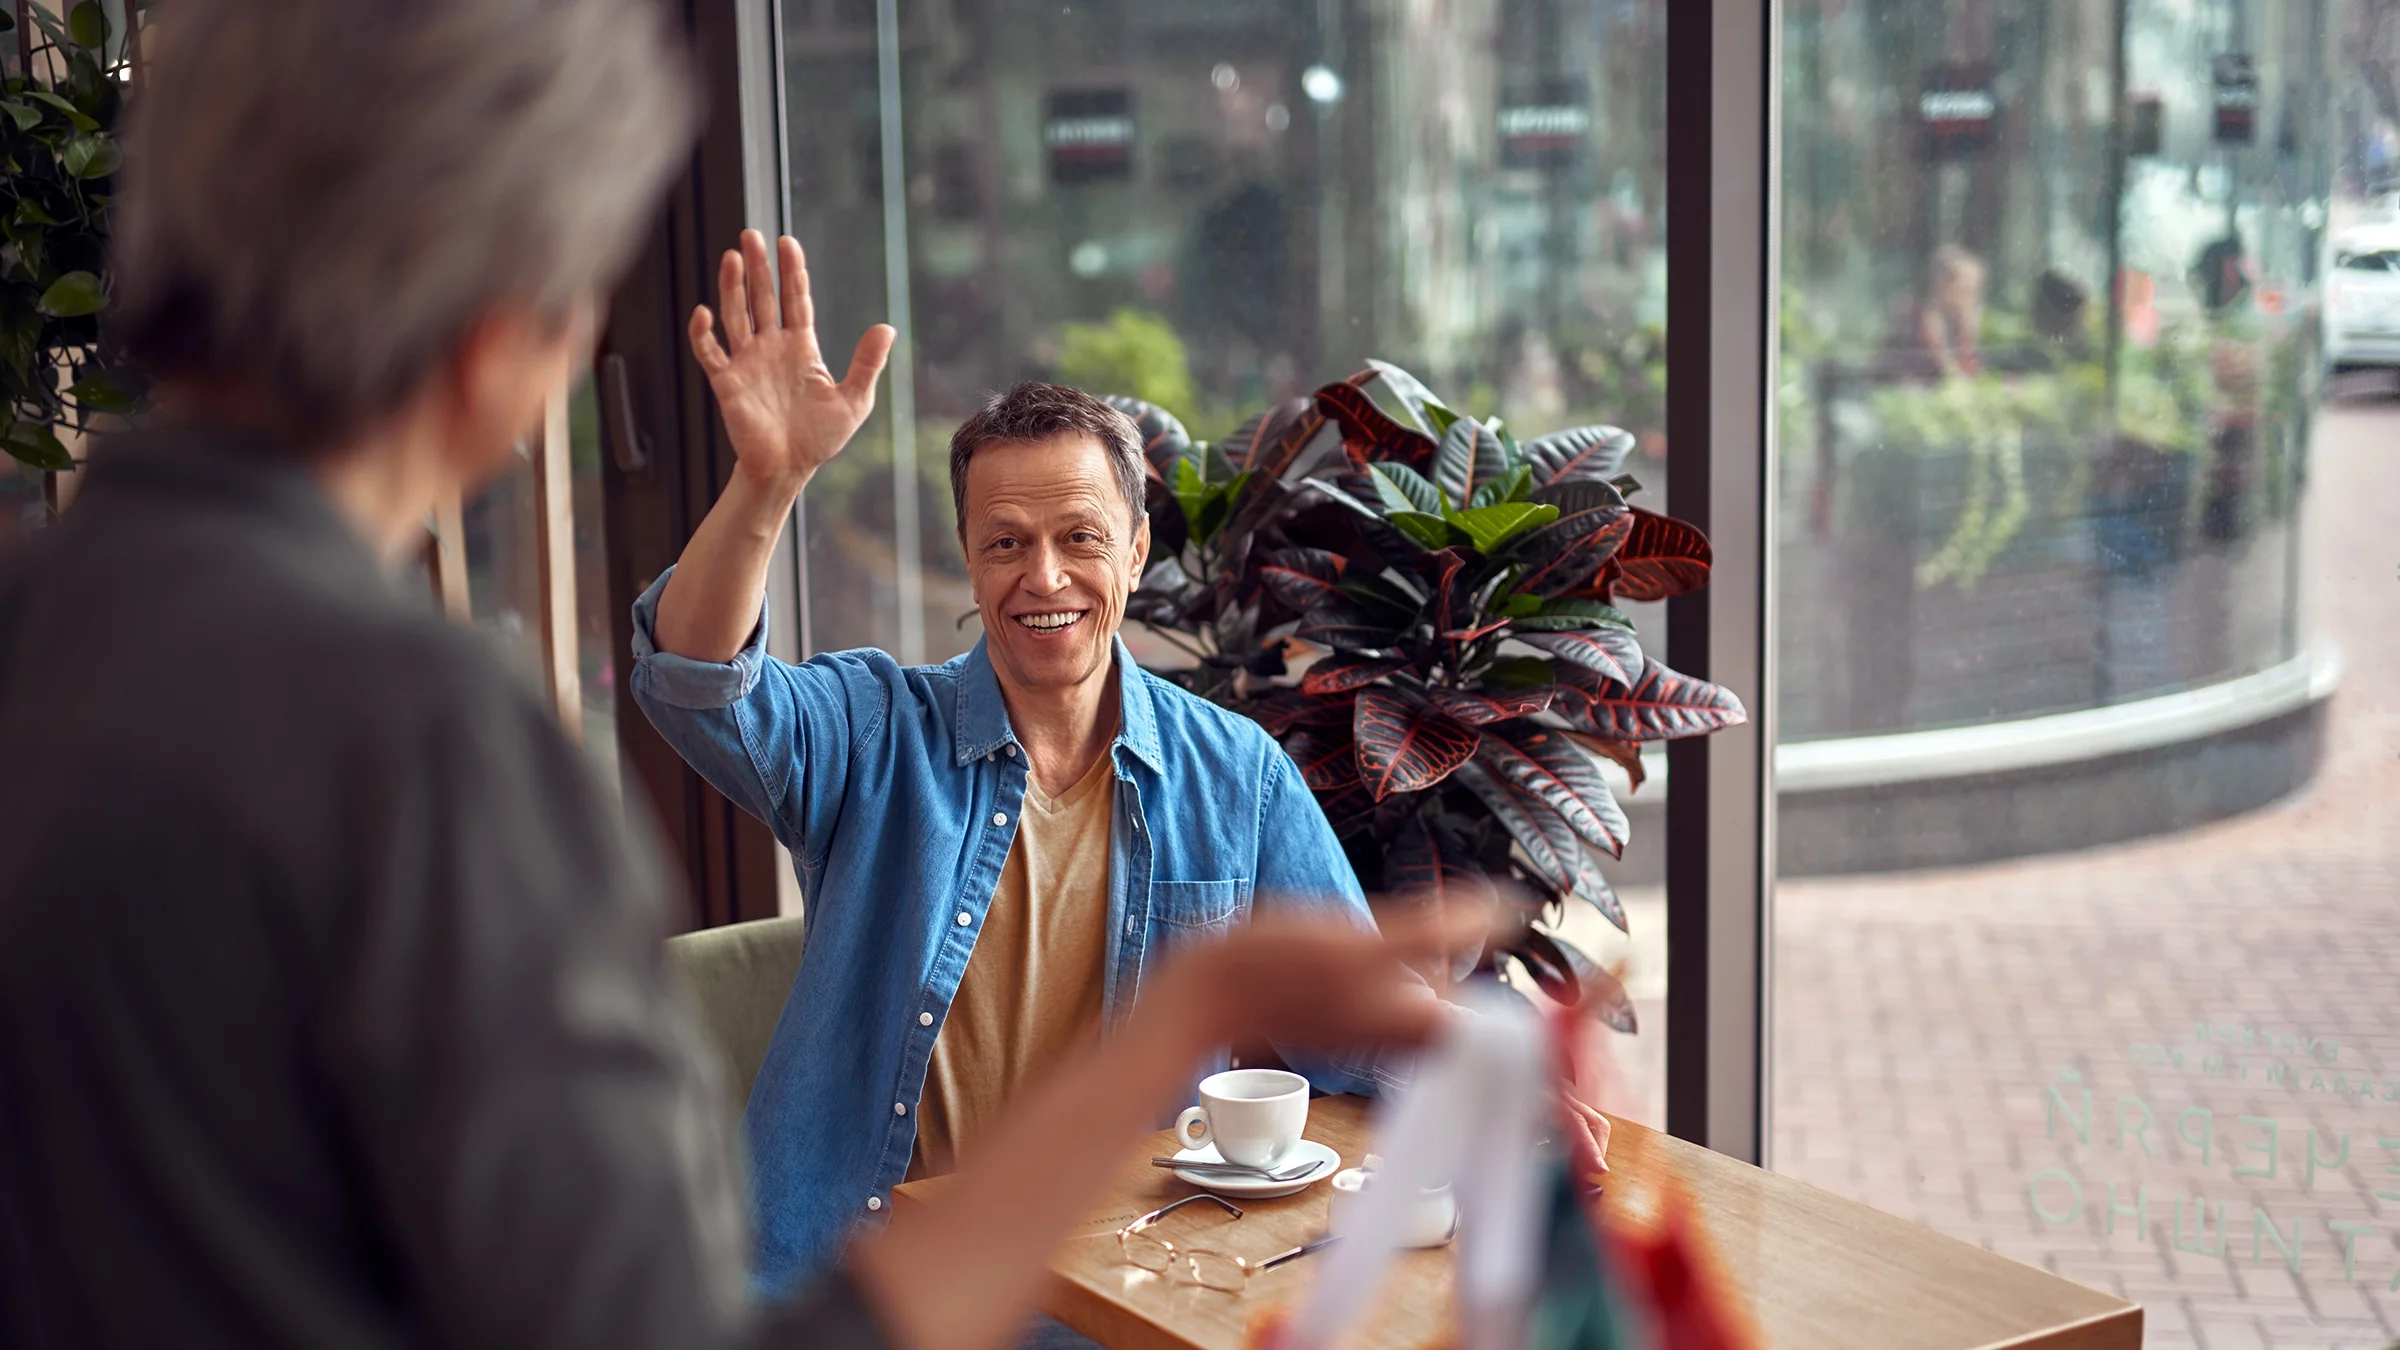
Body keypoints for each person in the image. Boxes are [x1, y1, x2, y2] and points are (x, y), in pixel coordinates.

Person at [0, 4, 1458, 1350]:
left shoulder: (51, 636)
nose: (1044, 574)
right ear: (510, 330)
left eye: (1080, 536)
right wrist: (1187, 1012)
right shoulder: (431, 745)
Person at [637, 235, 1611, 1291]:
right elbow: (698, 681)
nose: (1042, 573)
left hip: (1109, 1291)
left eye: (1080, 537)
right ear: (967, 554)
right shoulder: (876, 729)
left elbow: (1345, 1001)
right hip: (858, 1285)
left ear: (1136, 552)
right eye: (1005, 541)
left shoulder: (1234, 774)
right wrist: (768, 485)